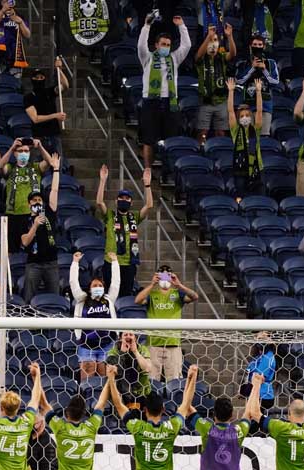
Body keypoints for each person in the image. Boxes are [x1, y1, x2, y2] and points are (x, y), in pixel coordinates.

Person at [137, 14, 191, 168]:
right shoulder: (146, 58)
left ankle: (169, 172)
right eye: (163, 44)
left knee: (171, 140)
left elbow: (186, 46)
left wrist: (182, 26)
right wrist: (147, 26)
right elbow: (141, 46)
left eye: (168, 44)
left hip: (170, 101)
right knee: (149, 139)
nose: (166, 47)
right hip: (150, 101)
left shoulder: (174, 58)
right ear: (156, 45)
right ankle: (147, 170)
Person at [134, 265, 199, 382]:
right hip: (153, 344)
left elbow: (194, 296)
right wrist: (152, 284)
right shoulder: (152, 294)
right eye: (162, 275)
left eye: (167, 275)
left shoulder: (178, 293)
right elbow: (137, 300)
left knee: (174, 381)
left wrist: (178, 285)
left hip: (173, 343)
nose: (165, 279)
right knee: (152, 380)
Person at [97, 164, 153, 295]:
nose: (124, 200)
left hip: (129, 263)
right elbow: (100, 202)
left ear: (131, 202)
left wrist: (147, 185)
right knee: (109, 295)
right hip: (111, 263)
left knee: (126, 295)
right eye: (121, 198)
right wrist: (103, 180)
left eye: (127, 198)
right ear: (116, 201)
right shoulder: (110, 216)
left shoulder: (134, 217)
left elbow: (149, 206)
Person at [71, 251, 121, 381]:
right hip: (86, 345)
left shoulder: (109, 300)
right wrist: (75, 263)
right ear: (89, 288)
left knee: (105, 380)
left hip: (106, 345)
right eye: (95, 285)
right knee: (87, 380)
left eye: (100, 285)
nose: (98, 287)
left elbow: (116, 283)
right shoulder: (82, 300)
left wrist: (115, 262)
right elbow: (73, 283)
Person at [0, 137, 56, 254]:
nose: (24, 153)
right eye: (20, 151)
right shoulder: (10, 168)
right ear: (15, 154)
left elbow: (50, 162)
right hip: (12, 215)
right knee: (10, 250)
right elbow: (0, 165)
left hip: (32, 215)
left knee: (31, 249)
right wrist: (11, 148)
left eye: (26, 151)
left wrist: (40, 147)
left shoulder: (36, 167)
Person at [22, 155, 62, 303]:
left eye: (39, 200)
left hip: (51, 262)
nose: (37, 202)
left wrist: (56, 169)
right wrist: (35, 225)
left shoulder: (49, 212)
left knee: (55, 297)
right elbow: (25, 242)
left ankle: (55, 326)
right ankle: (27, 326)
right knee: (28, 298)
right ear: (29, 204)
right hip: (34, 263)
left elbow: (55, 190)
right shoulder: (24, 220)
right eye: (34, 200)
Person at [195, 23, 237, 144]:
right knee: (202, 133)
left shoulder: (222, 57)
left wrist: (230, 37)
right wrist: (208, 36)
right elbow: (198, 55)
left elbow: (233, 54)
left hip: (221, 101)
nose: (213, 43)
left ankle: (219, 153)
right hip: (205, 101)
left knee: (221, 133)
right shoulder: (201, 59)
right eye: (211, 41)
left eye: (215, 40)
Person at [235, 33, 281, 135]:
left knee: (263, 136)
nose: (257, 47)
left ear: (264, 46)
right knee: (245, 135)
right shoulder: (243, 63)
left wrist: (264, 70)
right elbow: (239, 81)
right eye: (255, 44)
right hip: (247, 106)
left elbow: (275, 82)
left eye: (260, 45)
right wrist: (252, 68)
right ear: (250, 46)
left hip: (265, 106)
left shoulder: (271, 63)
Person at [227, 78, 264, 200]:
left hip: (256, 169)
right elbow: (231, 111)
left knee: (258, 199)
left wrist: (258, 91)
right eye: (242, 116)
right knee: (241, 199)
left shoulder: (256, 129)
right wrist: (231, 91)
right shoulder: (235, 130)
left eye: (247, 115)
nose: (245, 118)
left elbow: (259, 111)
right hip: (240, 171)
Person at [23, 61, 69, 156]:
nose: (39, 79)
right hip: (39, 137)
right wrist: (55, 116)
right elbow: (35, 119)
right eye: (37, 78)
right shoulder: (28, 97)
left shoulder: (50, 92)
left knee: (57, 165)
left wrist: (59, 70)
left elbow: (65, 86)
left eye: (41, 77)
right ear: (32, 79)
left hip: (54, 135)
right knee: (39, 166)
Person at [105, 331, 153, 410]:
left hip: (142, 393)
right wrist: (122, 353)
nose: (128, 337)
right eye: (125, 335)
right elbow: (113, 371)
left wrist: (135, 352)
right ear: (120, 338)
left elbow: (147, 368)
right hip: (121, 394)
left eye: (131, 335)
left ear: (135, 338)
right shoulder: (114, 351)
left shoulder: (142, 349)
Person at [0, 0, 32, 77]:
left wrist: (21, 22)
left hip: (15, 57)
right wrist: (3, 11)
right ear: (1, 3)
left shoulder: (19, 15)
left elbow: (27, 34)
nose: (7, 3)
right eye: (5, 1)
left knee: (15, 83)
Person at [243, 338, 276, 410]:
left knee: (256, 418)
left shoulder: (268, 356)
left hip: (263, 395)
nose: (259, 339)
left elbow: (259, 377)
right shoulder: (258, 356)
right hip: (254, 394)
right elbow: (249, 372)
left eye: (264, 336)